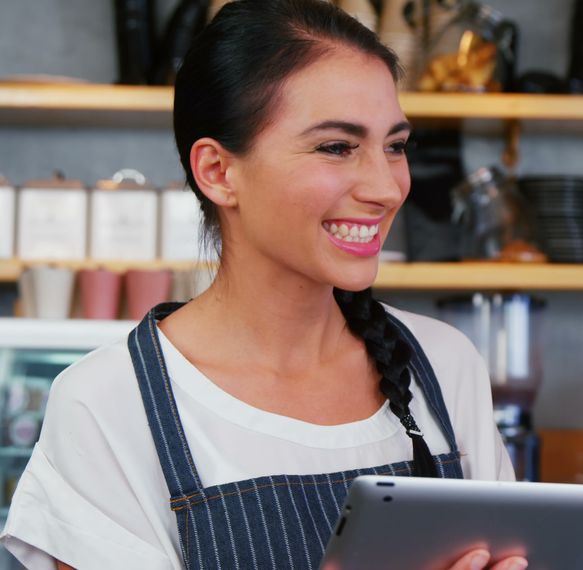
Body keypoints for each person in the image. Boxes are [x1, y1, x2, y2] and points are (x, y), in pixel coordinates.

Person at [0, 1, 527, 569]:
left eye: (394, 146)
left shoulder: (445, 366)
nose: (386, 187)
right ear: (218, 173)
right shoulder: (107, 403)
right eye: (336, 147)